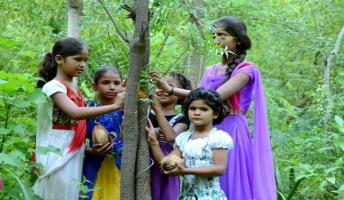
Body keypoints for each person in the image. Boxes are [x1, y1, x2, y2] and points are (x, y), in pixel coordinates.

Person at [149, 16, 276, 200]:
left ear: (237, 40)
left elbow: (213, 97)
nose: (217, 41)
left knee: (228, 177)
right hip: (204, 129)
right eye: (215, 36)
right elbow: (197, 99)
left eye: (223, 36)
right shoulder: (211, 70)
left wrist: (169, 88)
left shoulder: (247, 69)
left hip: (232, 129)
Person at [33, 38, 124, 200]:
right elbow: (75, 113)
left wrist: (90, 150)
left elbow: (79, 125)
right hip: (55, 151)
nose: (83, 64)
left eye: (85, 60)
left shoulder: (74, 88)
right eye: (77, 59)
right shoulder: (53, 86)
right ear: (59, 59)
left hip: (73, 152)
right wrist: (116, 105)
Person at [147, 88, 233, 200]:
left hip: (210, 196)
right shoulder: (184, 138)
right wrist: (154, 143)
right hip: (186, 197)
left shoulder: (218, 137)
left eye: (204, 109)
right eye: (193, 108)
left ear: (215, 114)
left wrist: (185, 171)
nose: (197, 112)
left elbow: (219, 169)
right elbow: (167, 164)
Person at [82, 66, 125, 200]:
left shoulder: (127, 110)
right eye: (106, 83)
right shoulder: (87, 108)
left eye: (116, 83)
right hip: (93, 163)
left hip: (120, 164)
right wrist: (91, 150)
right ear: (94, 86)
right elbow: (76, 141)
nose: (112, 87)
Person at [149, 72, 192, 200]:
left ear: (179, 95)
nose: (162, 90)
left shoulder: (182, 119)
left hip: (165, 164)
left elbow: (171, 137)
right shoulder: (145, 112)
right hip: (143, 159)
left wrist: (157, 110)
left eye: (168, 86)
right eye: (159, 86)